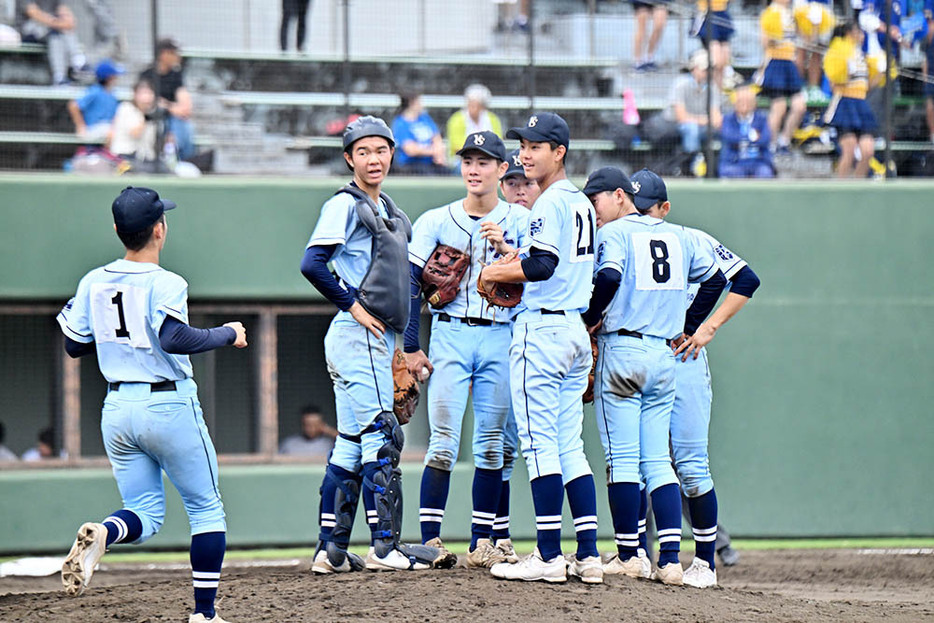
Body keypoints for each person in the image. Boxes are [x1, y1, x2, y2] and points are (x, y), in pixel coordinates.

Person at [55, 185, 249, 623]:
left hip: (118, 408)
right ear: (159, 229)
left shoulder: (94, 279)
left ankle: (104, 532)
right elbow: (173, 337)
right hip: (167, 404)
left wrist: (115, 339)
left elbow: (72, 343)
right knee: (206, 509)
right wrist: (227, 333)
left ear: (118, 230)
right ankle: (204, 615)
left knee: (145, 513)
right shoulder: (167, 281)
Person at [300, 116, 439, 574]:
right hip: (356, 332)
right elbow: (312, 263)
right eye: (363, 151)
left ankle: (330, 550)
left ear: (392, 153)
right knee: (383, 437)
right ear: (348, 158)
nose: (373, 159)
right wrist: (352, 305)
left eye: (380, 150)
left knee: (350, 442)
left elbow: (409, 287)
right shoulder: (345, 204)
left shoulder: (394, 213)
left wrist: (412, 346)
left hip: (373, 338)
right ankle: (387, 547)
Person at [581, 167, 725, 586]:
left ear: (622, 197)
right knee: (659, 461)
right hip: (665, 353)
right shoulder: (678, 235)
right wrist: (692, 325)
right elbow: (717, 279)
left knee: (623, 460)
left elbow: (607, 277)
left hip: (623, 349)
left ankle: (630, 554)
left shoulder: (616, 233)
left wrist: (588, 320)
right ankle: (670, 561)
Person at [480, 112, 603, 585]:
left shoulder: (550, 203)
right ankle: (588, 555)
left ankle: (549, 555)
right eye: (522, 145)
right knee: (570, 444)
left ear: (560, 153)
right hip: (573, 331)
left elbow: (543, 266)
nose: (525, 153)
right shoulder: (579, 204)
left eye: (536, 146)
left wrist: (495, 272)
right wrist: (517, 259)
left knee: (538, 443)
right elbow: (550, 262)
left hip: (543, 333)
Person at [404, 131, 529, 569]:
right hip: (450, 333)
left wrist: (505, 251)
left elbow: (540, 276)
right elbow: (411, 283)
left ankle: (482, 541)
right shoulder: (436, 219)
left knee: (492, 446)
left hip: (501, 333)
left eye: (483, 161)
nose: (474, 169)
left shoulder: (520, 219)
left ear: (501, 168)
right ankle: (430, 540)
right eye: (467, 161)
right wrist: (411, 345)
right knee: (442, 442)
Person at [823, 21, 878, 177]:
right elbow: (834, 84)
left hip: (861, 104)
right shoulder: (837, 52)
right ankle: (841, 190)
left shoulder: (861, 55)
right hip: (845, 103)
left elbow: (867, 85)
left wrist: (881, 72)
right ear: (849, 34)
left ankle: (857, 189)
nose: (861, 36)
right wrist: (846, 69)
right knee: (850, 149)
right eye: (858, 32)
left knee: (867, 151)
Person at [760, 0, 807, 154]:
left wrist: (808, 22)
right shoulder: (770, 13)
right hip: (775, 62)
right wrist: (775, 35)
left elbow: (806, 39)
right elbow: (765, 42)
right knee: (778, 107)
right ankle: (770, 143)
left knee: (800, 106)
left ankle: (784, 140)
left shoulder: (792, 14)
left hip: (789, 63)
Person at [140, 38, 195, 161]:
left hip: (172, 119)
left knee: (182, 124)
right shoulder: (147, 75)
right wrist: (169, 107)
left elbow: (186, 108)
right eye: (174, 53)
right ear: (164, 54)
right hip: (151, 119)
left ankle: (182, 161)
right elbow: (145, 103)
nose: (178, 56)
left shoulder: (176, 75)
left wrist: (167, 105)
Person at [665, 49, 722, 164]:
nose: (708, 73)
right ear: (694, 68)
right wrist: (705, 120)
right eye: (705, 69)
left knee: (725, 129)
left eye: (710, 69)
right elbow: (681, 117)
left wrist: (706, 120)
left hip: (703, 127)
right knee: (691, 128)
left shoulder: (712, 87)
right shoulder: (680, 84)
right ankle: (691, 163)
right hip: (673, 126)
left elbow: (716, 119)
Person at [15, 0, 86, 85]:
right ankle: (74, 63)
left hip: (50, 31)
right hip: (28, 32)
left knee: (59, 34)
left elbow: (64, 10)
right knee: (56, 32)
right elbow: (33, 13)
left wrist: (68, 21)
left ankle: (71, 67)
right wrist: (58, 24)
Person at [719, 85, 774, 178]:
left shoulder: (762, 119)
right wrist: (752, 136)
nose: (744, 104)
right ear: (735, 103)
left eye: (747, 101)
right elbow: (728, 137)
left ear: (754, 104)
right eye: (740, 101)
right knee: (733, 173)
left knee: (765, 173)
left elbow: (765, 138)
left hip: (758, 161)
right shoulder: (728, 118)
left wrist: (741, 139)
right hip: (735, 161)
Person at [445, 84, 503, 167]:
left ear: (483, 107)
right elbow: (456, 146)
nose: (472, 109)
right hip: (461, 159)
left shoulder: (493, 119)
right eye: (470, 105)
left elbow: (498, 142)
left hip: (488, 158)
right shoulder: (457, 119)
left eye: (477, 106)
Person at [391, 92, 448, 176]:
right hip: (412, 165)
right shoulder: (400, 123)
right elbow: (410, 150)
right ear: (412, 103)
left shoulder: (425, 118)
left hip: (431, 162)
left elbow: (436, 138)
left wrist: (439, 154)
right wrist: (433, 151)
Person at [67, 59, 123, 143]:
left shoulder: (112, 93)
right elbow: (73, 105)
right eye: (114, 76)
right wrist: (80, 126)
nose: (116, 78)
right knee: (111, 131)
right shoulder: (95, 91)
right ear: (109, 78)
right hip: (93, 129)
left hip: (108, 128)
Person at [794, 0, 835, 103]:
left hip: (824, 6)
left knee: (817, 50)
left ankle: (813, 88)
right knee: (801, 48)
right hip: (803, 5)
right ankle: (798, 86)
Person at [109, 79, 159, 165]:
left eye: (149, 93)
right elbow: (135, 133)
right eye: (143, 93)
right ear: (135, 95)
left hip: (145, 158)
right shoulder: (126, 108)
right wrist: (145, 117)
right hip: (124, 156)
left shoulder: (153, 112)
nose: (147, 97)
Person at [693, 0, 734, 87]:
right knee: (717, 59)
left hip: (722, 13)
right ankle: (707, 88)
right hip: (707, 13)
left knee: (724, 60)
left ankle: (719, 92)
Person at [632, 0, 669, 72]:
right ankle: (638, 61)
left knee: (660, 24)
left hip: (659, 2)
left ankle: (649, 58)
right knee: (642, 27)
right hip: (641, 2)